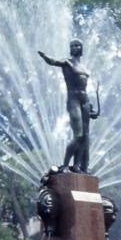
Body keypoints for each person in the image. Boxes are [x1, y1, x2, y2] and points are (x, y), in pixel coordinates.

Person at [38, 40, 99, 174]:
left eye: (77, 45)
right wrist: (44, 57)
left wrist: (91, 109)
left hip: (85, 101)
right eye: (72, 46)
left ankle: (77, 166)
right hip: (73, 100)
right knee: (78, 135)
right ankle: (65, 165)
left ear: (82, 48)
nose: (74, 47)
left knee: (85, 137)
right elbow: (53, 61)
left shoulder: (84, 67)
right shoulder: (67, 62)